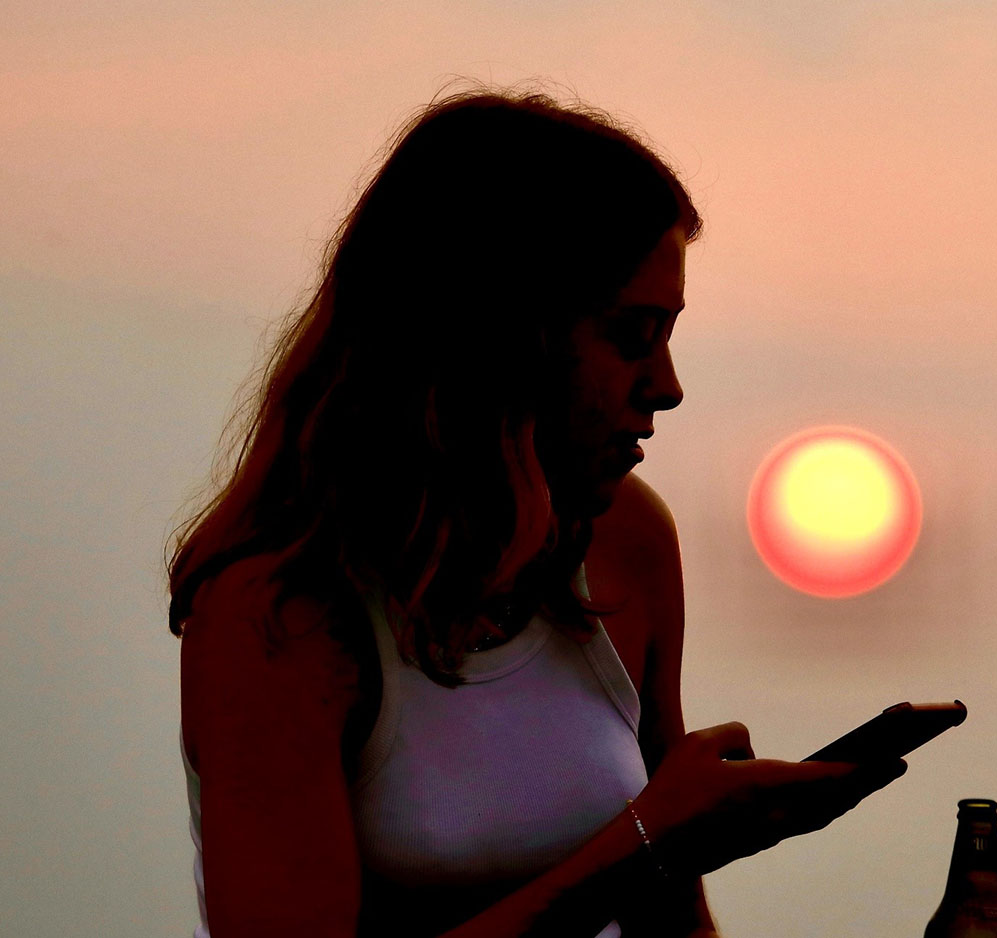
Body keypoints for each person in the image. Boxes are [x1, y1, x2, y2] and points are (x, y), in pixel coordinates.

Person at [167, 80, 908, 938]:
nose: (666, 388)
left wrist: (689, 839)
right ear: (501, 338)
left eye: (670, 336)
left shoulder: (623, 540)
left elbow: (675, 927)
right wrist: (649, 844)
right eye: (631, 337)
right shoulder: (279, 614)